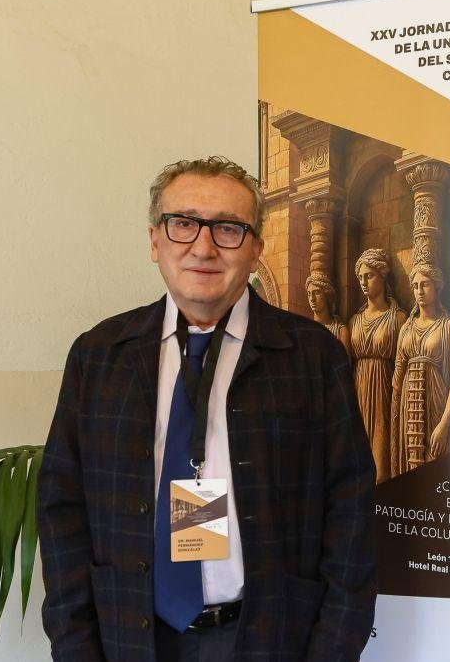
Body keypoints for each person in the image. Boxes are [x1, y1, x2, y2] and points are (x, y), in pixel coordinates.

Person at [38, 156, 376, 662]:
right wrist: (75, 646)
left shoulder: (312, 357)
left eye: (228, 229)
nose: (203, 246)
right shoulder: (99, 356)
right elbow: (61, 508)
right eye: (183, 224)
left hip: (270, 638)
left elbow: (351, 511)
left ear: (256, 247)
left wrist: (332, 649)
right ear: (155, 240)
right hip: (129, 636)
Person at [390, 264, 450, 474]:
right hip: (409, 408)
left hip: (437, 403)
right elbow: (397, 376)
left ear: (438, 287)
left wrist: (444, 424)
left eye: (425, 284)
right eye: (415, 286)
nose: (419, 291)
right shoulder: (406, 327)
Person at [348, 249, 406, 482]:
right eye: (360, 277)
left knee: (381, 454)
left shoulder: (397, 318)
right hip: (359, 384)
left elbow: (402, 362)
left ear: (382, 276)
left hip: (383, 386)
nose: (363, 282)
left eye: (369, 276)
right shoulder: (354, 320)